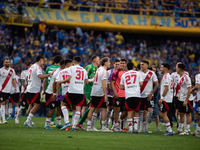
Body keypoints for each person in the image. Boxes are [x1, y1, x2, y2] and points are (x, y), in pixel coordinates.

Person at [58, 56, 88, 131]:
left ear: (73, 62)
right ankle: (74, 126)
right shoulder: (84, 70)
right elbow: (86, 82)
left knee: (63, 104)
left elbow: (68, 78)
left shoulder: (70, 68)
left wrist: (60, 82)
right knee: (78, 108)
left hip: (71, 90)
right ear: (80, 62)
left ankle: (67, 122)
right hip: (80, 92)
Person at [24, 56, 52, 128]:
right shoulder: (38, 67)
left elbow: (27, 77)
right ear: (40, 61)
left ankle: (28, 120)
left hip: (29, 88)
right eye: (43, 61)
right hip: (34, 89)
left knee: (31, 105)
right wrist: (49, 74)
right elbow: (40, 76)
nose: (43, 63)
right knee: (37, 105)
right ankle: (28, 120)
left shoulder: (31, 67)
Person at [87, 57, 111, 132]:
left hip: (94, 91)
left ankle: (89, 126)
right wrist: (105, 95)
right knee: (104, 109)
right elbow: (104, 84)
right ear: (105, 63)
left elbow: (94, 79)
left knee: (92, 109)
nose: (110, 63)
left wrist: (88, 80)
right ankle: (103, 127)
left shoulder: (98, 69)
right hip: (100, 92)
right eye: (109, 62)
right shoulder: (104, 71)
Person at [77, 55, 100, 130]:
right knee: (91, 107)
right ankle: (81, 122)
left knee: (92, 107)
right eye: (98, 59)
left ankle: (82, 122)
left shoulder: (97, 68)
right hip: (88, 89)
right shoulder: (89, 67)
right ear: (95, 60)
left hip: (94, 89)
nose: (99, 60)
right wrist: (90, 81)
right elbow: (84, 77)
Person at [120, 62, 143, 133]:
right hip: (136, 94)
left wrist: (127, 88)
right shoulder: (138, 73)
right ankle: (135, 128)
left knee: (129, 112)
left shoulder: (124, 75)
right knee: (136, 111)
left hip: (128, 95)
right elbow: (141, 84)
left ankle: (130, 129)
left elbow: (121, 87)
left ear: (127, 68)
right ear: (134, 67)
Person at [44, 59, 65, 129]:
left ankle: (59, 124)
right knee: (52, 109)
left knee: (59, 107)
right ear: (62, 65)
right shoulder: (58, 72)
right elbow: (54, 84)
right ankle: (46, 124)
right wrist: (54, 94)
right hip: (51, 92)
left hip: (57, 93)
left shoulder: (59, 71)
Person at [139, 60, 159, 133]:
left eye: (143, 64)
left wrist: (152, 93)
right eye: (141, 64)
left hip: (149, 95)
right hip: (140, 95)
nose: (141, 66)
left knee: (150, 111)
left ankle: (146, 128)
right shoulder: (138, 73)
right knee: (141, 112)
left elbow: (156, 84)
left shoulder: (152, 73)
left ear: (147, 65)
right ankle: (140, 128)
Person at [174, 63, 194, 135]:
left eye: (176, 67)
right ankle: (179, 129)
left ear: (179, 69)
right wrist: (180, 95)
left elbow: (189, 89)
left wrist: (186, 100)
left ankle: (187, 130)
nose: (176, 69)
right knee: (181, 113)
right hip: (181, 98)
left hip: (187, 99)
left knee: (188, 114)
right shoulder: (181, 77)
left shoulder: (186, 78)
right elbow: (183, 88)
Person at [55, 59, 72, 130]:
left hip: (64, 91)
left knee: (64, 106)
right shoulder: (71, 70)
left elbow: (57, 82)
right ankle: (73, 125)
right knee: (75, 107)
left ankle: (67, 123)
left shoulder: (61, 72)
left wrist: (57, 93)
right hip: (72, 90)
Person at [111, 58, 127, 132]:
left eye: (123, 63)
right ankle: (116, 125)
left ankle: (118, 122)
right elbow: (112, 83)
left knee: (126, 110)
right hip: (118, 94)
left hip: (126, 95)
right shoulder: (116, 72)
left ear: (125, 64)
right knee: (116, 110)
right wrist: (115, 92)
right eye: (121, 63)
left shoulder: (127, 73)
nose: (122, 64)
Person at [171, 62, 189, 128]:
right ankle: (179, 123)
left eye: (177, 66)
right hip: (176, 94)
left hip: (183, 95)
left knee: (184, 111)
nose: (176, 68)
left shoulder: (186, 74)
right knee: (177, 111)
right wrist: (173, 84)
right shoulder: (173, 74)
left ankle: (184, 125)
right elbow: (171, 81)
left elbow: (187, 85)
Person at [159, 63, 173, 136]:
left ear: (165, 68)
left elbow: (166, 88)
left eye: (161, 67)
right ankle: (169, 129)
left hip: (166, 99)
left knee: (163, 114)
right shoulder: (169, 76)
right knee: (162, 114)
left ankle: (169, 130)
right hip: (169, 98)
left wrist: (162, 98)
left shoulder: (166, 76)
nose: (160, 69)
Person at [0, 58, 16, 124]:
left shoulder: (12, 71)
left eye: (8, 62)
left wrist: (15, 87)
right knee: (2, 104)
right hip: (1, 89)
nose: (7, 63)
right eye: (6, 62)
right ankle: (3, 119)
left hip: (8, 90)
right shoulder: (1, 70)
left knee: (5, 103)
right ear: (4, 63)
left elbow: (13, 79)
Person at [106, 59, 120, 128]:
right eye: (116, 64)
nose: (117, 65)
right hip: (109, 93)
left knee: (116, 109)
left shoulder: (120, 73)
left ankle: (114, 125)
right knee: (110, 108)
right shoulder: (109, 72)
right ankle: (106, 123)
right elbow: (105, 81)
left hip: (117, 93)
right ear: (113, 64)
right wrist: (108, 84)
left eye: (118, 64)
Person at [191, 67, 200, 137]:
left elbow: (197, 86)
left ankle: (197, 131)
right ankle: (196, 131)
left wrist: (192, 89)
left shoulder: (198, 76)